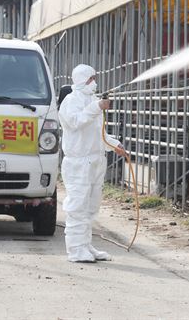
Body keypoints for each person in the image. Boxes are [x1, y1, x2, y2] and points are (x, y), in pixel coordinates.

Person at [59, 64, 127, 263]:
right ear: (81, 80)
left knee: (90, 207)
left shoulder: (91, 101)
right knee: (77, 207)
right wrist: (96, 107)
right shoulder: (70, 101)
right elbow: (75, 122)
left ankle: (86, 245)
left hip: (96, 161)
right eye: (91, 79)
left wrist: (115, 145)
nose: (94, 83)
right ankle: (75, 250)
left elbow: (99, 133)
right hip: (78, 163)